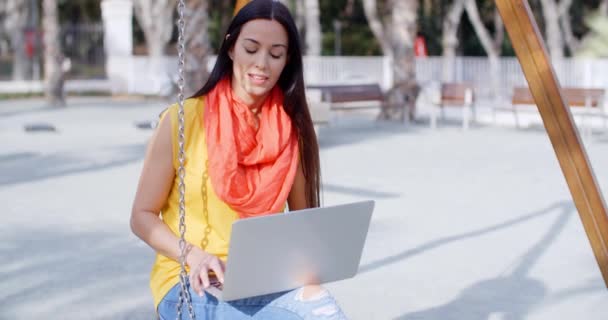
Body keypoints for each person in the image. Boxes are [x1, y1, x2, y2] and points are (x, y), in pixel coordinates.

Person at [130, 1, 348, 319]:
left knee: (324, 311)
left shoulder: (291, 132)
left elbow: (303, 229)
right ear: (231, 49)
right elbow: (141, 216)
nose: (261, 64)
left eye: (275, 54)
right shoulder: (183, 120)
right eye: (251, 49)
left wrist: (311, 282)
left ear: (287, 62)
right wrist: (195, 256)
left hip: (262, 279)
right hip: (192, 280)